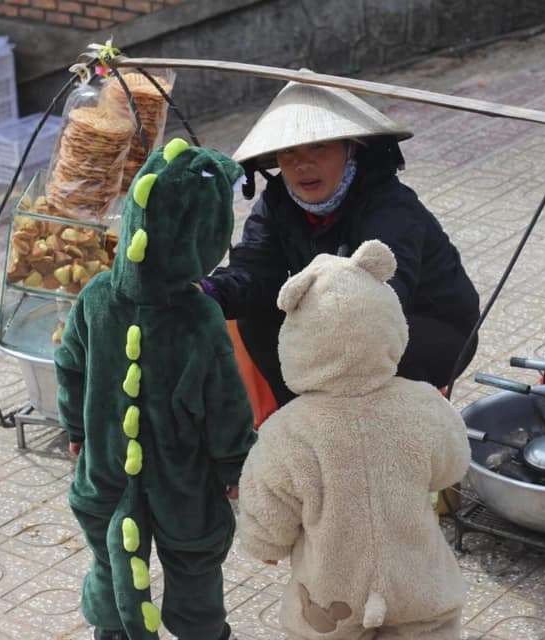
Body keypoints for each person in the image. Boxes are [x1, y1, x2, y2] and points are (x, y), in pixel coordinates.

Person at [54, 139, 256, 640]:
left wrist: (76, 427)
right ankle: (200, 631)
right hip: (183, 479)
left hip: (105, 469)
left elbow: (69, 362)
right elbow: (224, 403)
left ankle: (114, 629)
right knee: (194, 565)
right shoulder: (197, 316)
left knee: (109, 556)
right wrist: (234, 465)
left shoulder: (97, 296)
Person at [237, 240, 471, 639]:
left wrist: (266, 545)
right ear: (389, 323)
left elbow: (266, 505)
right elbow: (452, 466)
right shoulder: (423, 404)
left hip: (329, 597)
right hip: (420, 586)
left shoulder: (286, 431)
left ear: (297, 338)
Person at [200, 81, 480, 407]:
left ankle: (369, 428)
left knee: (362, 345)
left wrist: (319, 328)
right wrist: (208, 292)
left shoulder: (389, 205)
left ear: (351, 148)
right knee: (255, 316)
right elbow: (254, 271)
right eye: (289, 151)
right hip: (331, 326)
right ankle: (300, 418)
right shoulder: (276, 205)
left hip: (428, 327)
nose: (302, 164)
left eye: (318, 147)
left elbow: (385, 298)